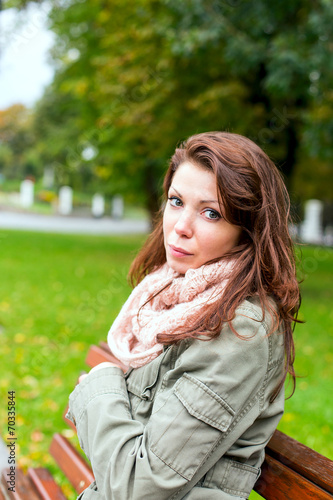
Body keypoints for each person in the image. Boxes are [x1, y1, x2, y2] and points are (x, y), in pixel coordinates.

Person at [66, 131, 301, 500]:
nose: (180, 226)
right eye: (176, 201)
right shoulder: (174, 297)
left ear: (247, 231)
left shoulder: (239, 331)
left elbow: (135, 488)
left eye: (211, 213)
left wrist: (98, 386)